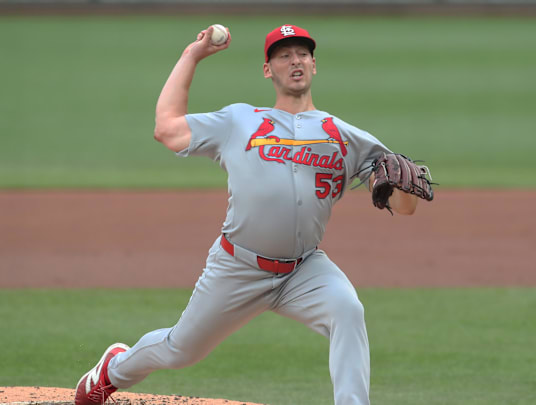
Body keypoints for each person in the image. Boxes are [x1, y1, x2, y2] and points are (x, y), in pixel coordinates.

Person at [74, 24, 422, 405]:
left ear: (314, 65)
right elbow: (167, 129)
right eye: (283, 56)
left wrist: (400, 189)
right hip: (237, 266)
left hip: (304, 270)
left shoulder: (345, 135)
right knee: (181, 349)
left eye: (302, 54)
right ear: (267, 70)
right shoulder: (239, 121)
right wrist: (192, 55)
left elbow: (404, 208)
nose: (295, 62)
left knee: (348, 311)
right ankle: (112, 370)